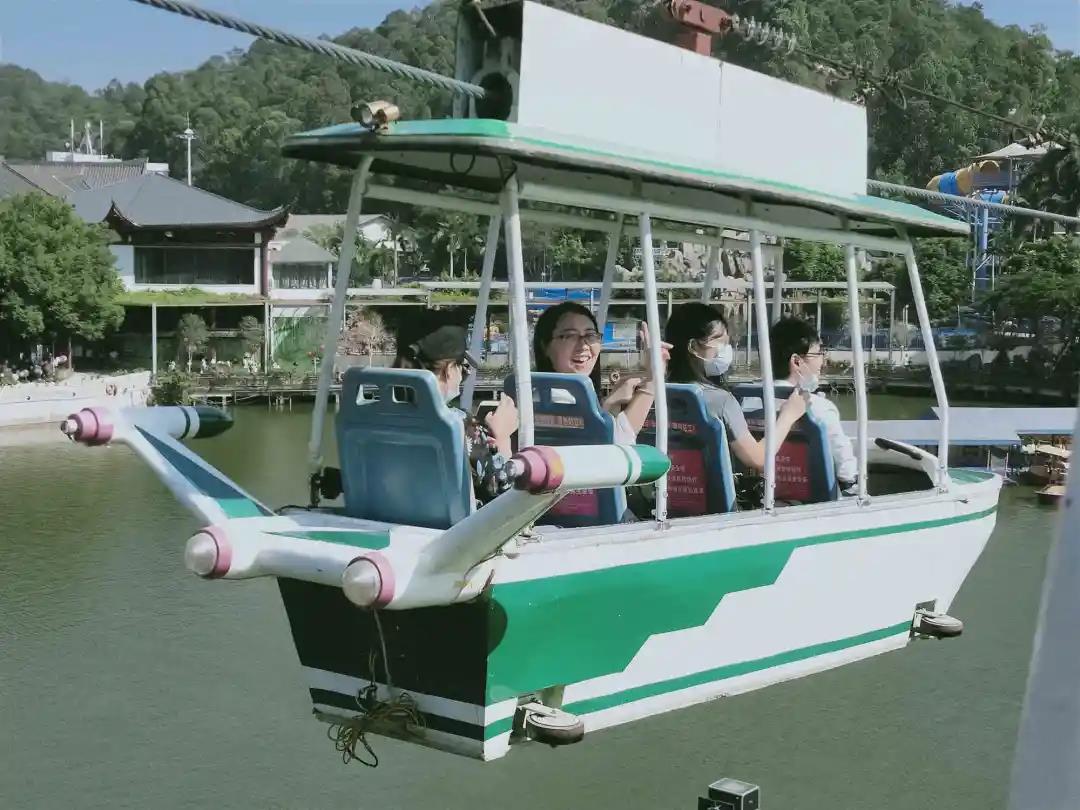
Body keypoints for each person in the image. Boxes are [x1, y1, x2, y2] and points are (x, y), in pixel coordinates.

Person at [392, 313, 518, 505]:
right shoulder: (461, 429)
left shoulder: (374, 417)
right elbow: (500, 496)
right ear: (450, 370)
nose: (462, 374)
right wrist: (501, 438)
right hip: (454, 524)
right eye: (461, 366)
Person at [665, 302, 806, 471]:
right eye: (720, 341)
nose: (726, 349)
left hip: (671, 483)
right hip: (712, 488)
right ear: (694, 347)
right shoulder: (720, 401)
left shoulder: (658, 393)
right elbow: (758, 458)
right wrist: (788, 416)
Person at [531, 301, 668, 444]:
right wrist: (650, 384)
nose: (584, 345)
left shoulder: (569, 394)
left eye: (590, 335)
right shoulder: (555, 399)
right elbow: (613, 445)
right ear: (545, 345)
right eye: (570, 336)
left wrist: (610, 404)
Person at [769, 316, 858, 489]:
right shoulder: (819, 409)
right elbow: (846, 472)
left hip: (765, 496)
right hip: (815, 501)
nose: (822, 361)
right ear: (797, 361)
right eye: (818, 354)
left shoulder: (748, 403)